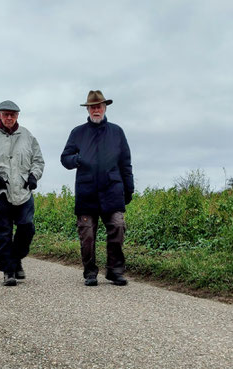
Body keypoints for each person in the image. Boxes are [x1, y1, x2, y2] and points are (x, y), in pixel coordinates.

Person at [60, 90, 134, 287]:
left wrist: (129, 189)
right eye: (92, 107)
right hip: (87, 192)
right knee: (87, 235)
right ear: (88, 109)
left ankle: (115, 271)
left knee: (118, 227)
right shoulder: (78, 132)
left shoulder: (117, 132)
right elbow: (65, 159)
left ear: (105, 108)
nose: (96, 110)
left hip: (112, 190)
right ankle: (90, 272)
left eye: (99, 106)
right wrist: (77, 159)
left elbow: (125, 163)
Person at [0, 100, 45, 286]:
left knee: (27, 228)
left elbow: (38, 161)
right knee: (3, 233)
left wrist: (33, 176)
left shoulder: (28, 136)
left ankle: (16, 258)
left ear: (17, 116)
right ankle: (8, 271)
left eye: (12, 114)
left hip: (23, 191)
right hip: (1, 192)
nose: (9, 117)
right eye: (5, 114)